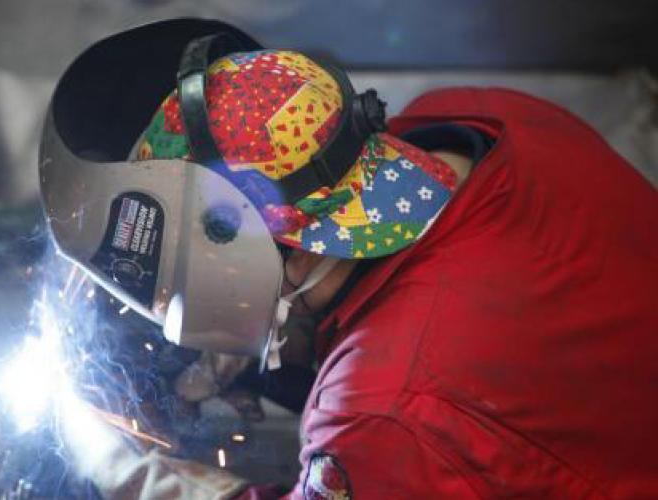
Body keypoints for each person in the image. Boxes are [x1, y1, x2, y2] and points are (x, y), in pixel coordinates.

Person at [39, 19, 658, 498]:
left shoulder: (380, 411)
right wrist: (291, 355)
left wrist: (135, 475)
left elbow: (401, 406)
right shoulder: (486, 114)